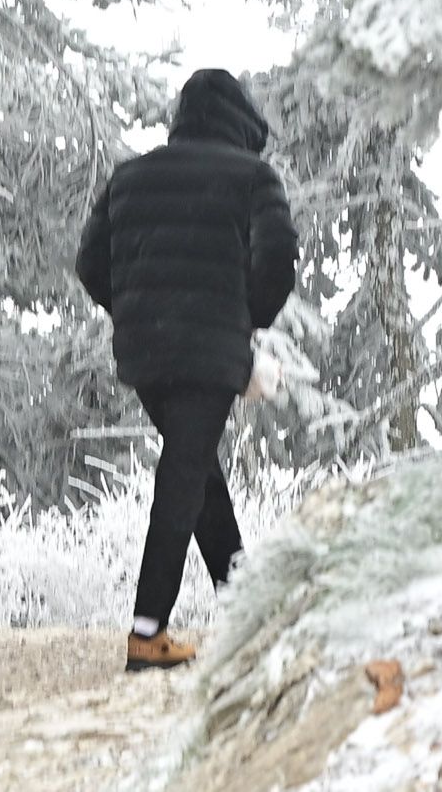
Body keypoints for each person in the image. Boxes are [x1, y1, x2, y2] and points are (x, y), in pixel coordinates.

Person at [75, 68, 298, 672]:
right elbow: (278, 260)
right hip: (209, 350)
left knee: (194, 471)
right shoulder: (253, 176)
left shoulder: (130, 177)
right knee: (183, 478)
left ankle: (246, 605)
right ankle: (148, 632)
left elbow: (90, 263)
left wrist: (135, 309)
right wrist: (243, 317)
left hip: (146, 351)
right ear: (238, 117)